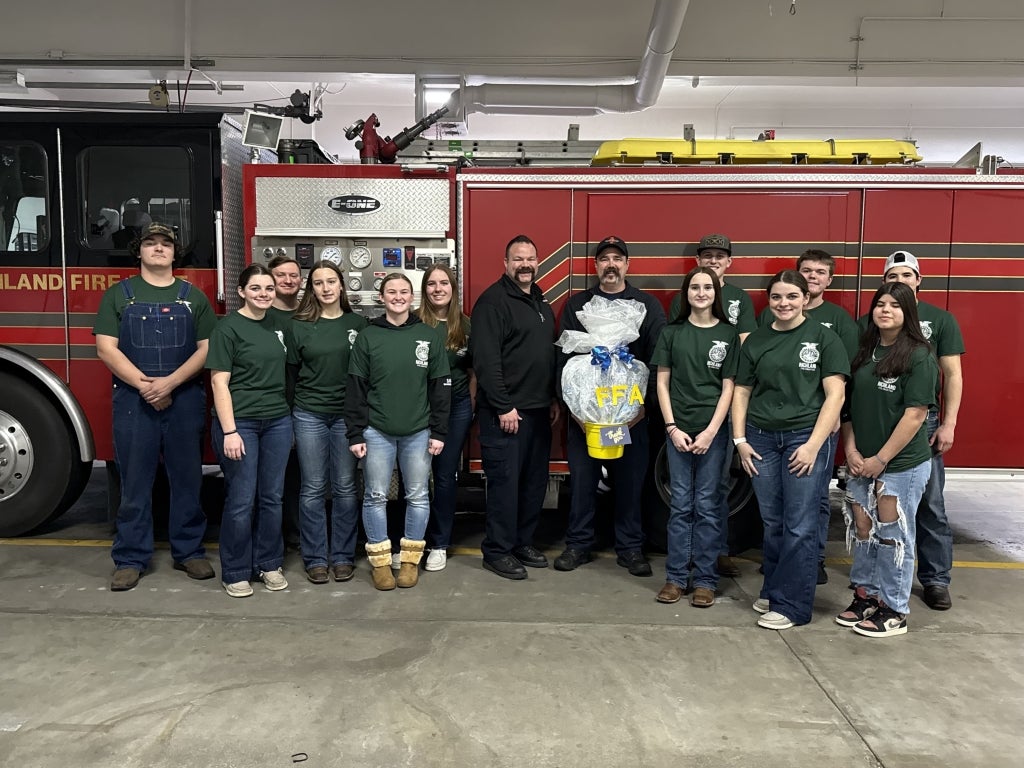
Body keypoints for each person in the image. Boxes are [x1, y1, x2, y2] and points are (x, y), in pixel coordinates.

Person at [94, 222, 216, 591]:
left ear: (175, 253)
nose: (159, 248)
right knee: (135, 482)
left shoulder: (193, 297)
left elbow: (207, 349)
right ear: (140, 251)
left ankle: (190, 552)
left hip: (183, 399)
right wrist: (146, 385)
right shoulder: (119, 296)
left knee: (187, 479)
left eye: (166, 244)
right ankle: (130, 558)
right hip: (134, 400)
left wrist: (171, 383)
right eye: (151, 243)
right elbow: (105, 348)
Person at [732, 270, 848, 630]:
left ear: (805, 298)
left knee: (800, 523)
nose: (784, 304)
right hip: (762, 438)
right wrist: (740, 441)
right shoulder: (756, 341)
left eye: (792, 297)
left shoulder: (824, 339)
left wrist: (814, 445)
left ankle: (793, 606)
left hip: (805, 438)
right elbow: (741, 392)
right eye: (777, 297)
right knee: (774, 521)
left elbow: (835, 396)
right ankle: (774, 589)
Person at [553, 236, 666, 577]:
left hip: (630, 419)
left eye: (618, 258)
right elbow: (564, 360)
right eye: (604, 259)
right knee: (584, 482)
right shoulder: (578, 306)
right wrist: (572, 408)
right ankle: (578, 544)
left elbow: (658, 358)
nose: (611, 264)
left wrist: (643, 409)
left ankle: (630, 547)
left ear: (627, 265)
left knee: (630, 482)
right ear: (596, 266)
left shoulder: (646, 306)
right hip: (584, 420)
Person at [837, 282, 937, 637]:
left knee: (893, 534)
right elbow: (846, 409)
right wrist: (851, 451)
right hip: (862, 460)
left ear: (907, 312)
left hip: (901, 464)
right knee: (863, 528)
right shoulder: (865, 351)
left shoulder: (919, 355)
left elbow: (915, 415)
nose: (885, 310)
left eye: (895, 305)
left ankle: (894, 609)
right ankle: (867, 595)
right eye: (880, 304)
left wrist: (880, 459)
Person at [758, 250, 859, 585]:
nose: (813, 276)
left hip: (814, 430)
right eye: (806, 271)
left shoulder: (837, 322)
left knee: (812, 504)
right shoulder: (768, 320)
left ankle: (811, 562)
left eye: (820, 272)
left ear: (827, 281)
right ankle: (782, 573)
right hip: (770, 432)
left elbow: (841, 380)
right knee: (779, 514)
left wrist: (829, 428)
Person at [345, 273, 451, 590]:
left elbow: (440, 388)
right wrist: (355, 433)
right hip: (377, 431)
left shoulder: (428, 336)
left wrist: (439, 432)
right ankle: (380, 563)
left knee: (417, 496)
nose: (398, 297)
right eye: (391, 292)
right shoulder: (368, 336)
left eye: (404, 291)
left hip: (418, 431)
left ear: (412, 297)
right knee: (375, 496)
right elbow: (355, 388)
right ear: (382, 298)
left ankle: (408, 562)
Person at [875, 250, 965, 611]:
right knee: (877, 506)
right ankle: (878, 580)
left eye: (907, 276)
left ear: (918, 281)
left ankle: (935, 579)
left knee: (930, 506)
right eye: (892, 277)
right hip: (880, 423)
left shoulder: (940, 320)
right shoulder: (876, 319)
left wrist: (949, 422)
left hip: (921, 425)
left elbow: (953, 374)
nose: (900, 282)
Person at [470, 234, 561, 580]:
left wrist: (552, 397)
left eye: (530, 259)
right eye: (518, 259)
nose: (525, 265)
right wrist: (504, 406)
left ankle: (522, 542)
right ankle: (496, 550)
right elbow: (486, 361)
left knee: (532, 484)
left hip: (537, 412)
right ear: (505, 264)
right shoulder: (493, 303)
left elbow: (544, 354)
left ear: (538, 262)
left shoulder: (538, 301)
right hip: (506, 415)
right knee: (505, 487)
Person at [651, 266, 738, 606]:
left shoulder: (729, 335)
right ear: (685, 294)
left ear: (716, 294)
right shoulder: (672, 333)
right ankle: (675, 578)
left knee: (707, 506)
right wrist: (672, 428)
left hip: (712, 433)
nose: (701, 293)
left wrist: (712, 431)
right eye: (695, 287)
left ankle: (704, 581)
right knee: (681, 505)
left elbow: (729, 387)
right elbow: (661, 382)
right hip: (679, 433)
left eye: (707, 287)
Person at [671, 234, 756, 579]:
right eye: (707, 255)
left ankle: (716, 553)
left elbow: (745, 344)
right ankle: (687, 563)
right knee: (687, 497)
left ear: (729, 262)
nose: (713, 260)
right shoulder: (685, 297)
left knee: (717, 488)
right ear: (697, 261)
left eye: (720, 256)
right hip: (684, 411)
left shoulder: (740, 300)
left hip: (725, 399)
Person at [206, 264, 293, 598]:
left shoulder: (279, 325)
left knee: (272, 498)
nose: (264, 294)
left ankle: (269, 564)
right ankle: (237, 571)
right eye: (256, 288)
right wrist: (229, 432)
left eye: (269, 288)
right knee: (242, 500)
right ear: (241, 292)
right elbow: (219, 382)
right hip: (240, 423)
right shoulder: (228, 329)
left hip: (277, 423)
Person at [288, 261, 368, 584]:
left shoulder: (358, 324)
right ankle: (316, 557)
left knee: (346, 487)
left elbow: (365, 378)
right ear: (311, 289)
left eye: (331, 281)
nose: (325, 288)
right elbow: (290, 377)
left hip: (345, 418)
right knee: (312, 488)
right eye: (318, 283)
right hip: (308, 414)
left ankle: (343, 556)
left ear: (341, 286)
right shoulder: (299, 326)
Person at [418, 264, 476, 572]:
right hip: (419, 409)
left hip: (456, 409)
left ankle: (439, 543)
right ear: (424, 289)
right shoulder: (414, 324)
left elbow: (473, 371)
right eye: (431, 284)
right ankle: (412, 540)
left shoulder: (464, 325)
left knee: (444, 477)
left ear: (453, 288)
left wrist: (472, 403)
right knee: (414, 479)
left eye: (444, 283)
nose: (438, 288)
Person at [266, 254, 302, 549]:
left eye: (294, 276)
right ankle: (281, 536)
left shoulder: (306, 315)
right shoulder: (262, 316)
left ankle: (298, 533)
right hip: (272, 407)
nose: (288, 280)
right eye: (281, 275)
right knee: (279, 480)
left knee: (301, 478)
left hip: (302, 405)